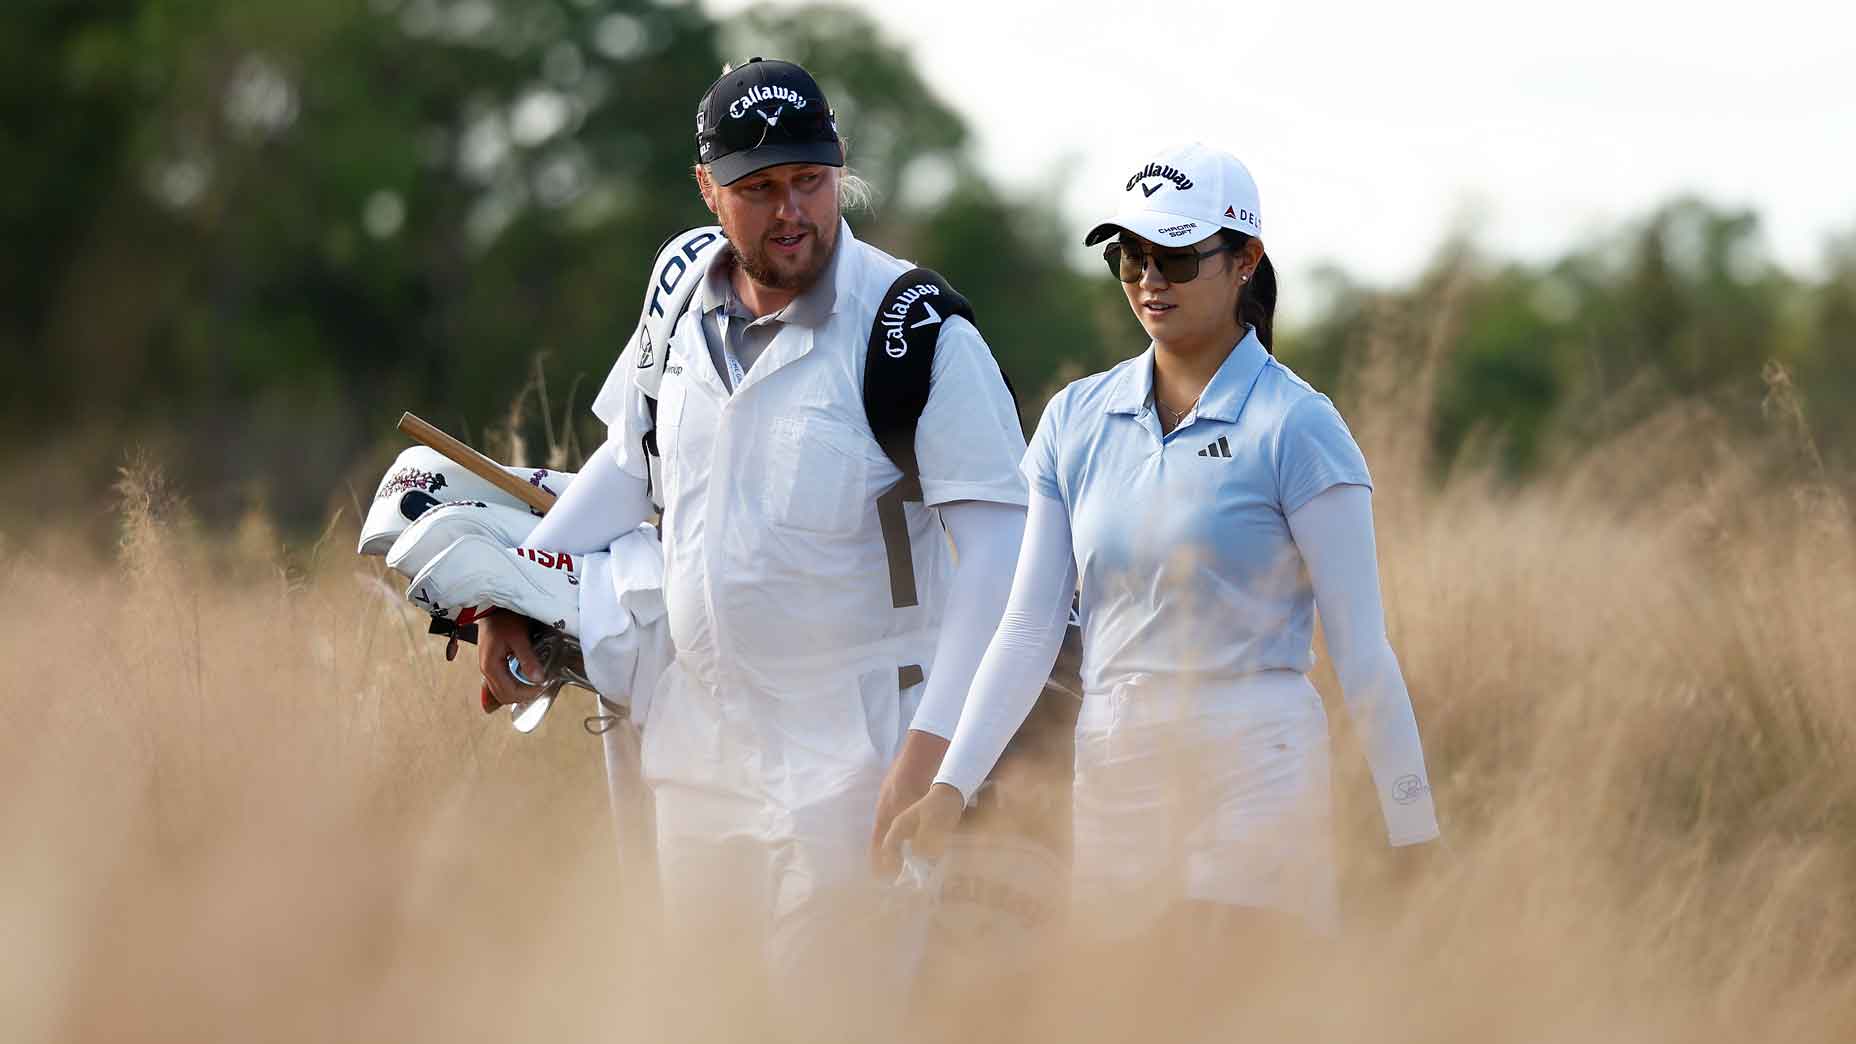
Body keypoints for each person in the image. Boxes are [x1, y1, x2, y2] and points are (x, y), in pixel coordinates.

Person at [473, 58, 1030, 1038]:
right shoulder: (679, 288)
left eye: (808, 181)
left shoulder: (914, 332)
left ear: (839, 168)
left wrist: (932, 759)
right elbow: (627, 466)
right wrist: (518, 594)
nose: (789, 213)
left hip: (857, 753)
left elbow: (998, 559)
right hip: (698, 744)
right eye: (759, 188)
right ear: (707, 189)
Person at [881, 142, 1442, 975]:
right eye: (1130, 257)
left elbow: (1362, 654)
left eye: (1177, 256)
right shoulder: (1075, 418)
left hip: (1257, 756)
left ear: (1245, 259)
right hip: (1117, 760)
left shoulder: (1299, 426)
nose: (1150, 279)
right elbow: (1030, 631)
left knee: (1221, 987)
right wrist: (952, 790)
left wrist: (1413, 830)